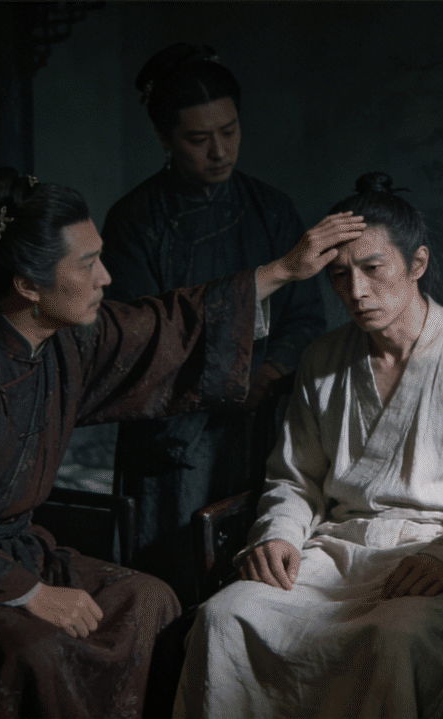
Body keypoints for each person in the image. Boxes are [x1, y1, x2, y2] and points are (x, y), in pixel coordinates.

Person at [0, 168, 364, 719]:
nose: (106, 277)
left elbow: (162, 325)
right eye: (87, 263)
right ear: (29, 285)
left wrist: (282, 271)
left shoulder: (62, 340)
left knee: (150, 601)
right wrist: (31, 594)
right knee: (36, 652)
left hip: (11, 556)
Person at [175, 173, 443, 719]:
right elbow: (295, 478)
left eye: (373, 269)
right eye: (339, 275)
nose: (356, 291)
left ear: (416, 264)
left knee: (395, 639)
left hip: (435, 555)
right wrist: (279, 533)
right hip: (336, 551)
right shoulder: (324, 358)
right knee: (224, 617)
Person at [100, 43, 328, 606]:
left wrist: (269, 373)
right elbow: (135, 337)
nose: (219, 151)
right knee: (174, 579)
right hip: (173, 436)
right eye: (198, 139)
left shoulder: (271, 209)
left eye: (229, 131)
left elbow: (305, 315)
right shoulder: (135, 221)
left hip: (261, 425)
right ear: (164, 138)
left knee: (259, 578)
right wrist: (222, 381)